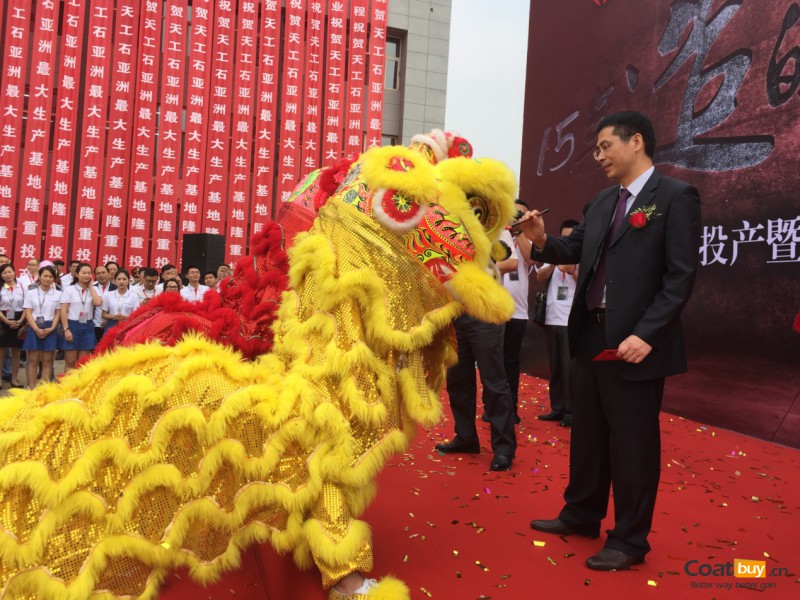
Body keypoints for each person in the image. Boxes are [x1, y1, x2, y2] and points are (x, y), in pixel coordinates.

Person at [521, 111, 701, 571]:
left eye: (605, 146)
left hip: (637, 342)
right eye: (597, 149)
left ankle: (629, 539)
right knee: (588, 434)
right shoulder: (603, 201)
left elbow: (680, 278)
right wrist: (541, 239)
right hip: (591, 334)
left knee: (632, 445)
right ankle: (582, 513)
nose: (598, 156)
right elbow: (573, 249)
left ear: (635, 141)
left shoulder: (675, 197)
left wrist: (647, 334)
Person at [436, 229, 518, 472]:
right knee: (457, 379)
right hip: (454, 312)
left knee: (493, 381)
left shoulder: (496, 223)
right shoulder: (447, 226)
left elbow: (510, 261)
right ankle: (466, 437)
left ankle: (503, 448)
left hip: (485, 313)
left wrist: (475, 270)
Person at [535, 219, 580, 428]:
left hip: (570, 320)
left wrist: (571, 269)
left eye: (571, 237)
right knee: (556, 367)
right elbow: (539, 276)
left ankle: (571, 411)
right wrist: (554, 261)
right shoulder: (554, 255)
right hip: (552, 318)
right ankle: (557, 408)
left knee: (570, 369)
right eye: (564, 237)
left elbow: (583, 281)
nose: (567, 241)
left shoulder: (581, 255)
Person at [496, 199, 536, 423]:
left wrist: (519, 231)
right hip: (495, 310)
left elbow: (530, 259)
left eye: (521, 214)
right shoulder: (497, 237)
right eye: (513, 213)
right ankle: (494, 408)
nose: (516, 217)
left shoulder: (527, 239)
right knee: (494, 362)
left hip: (517, 312)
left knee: (511, 362)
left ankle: (510, 409)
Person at [21, 265, 62, 389]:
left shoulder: (58, 294)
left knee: (47, 361)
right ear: (39, 277)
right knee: (33, 360)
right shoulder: (31, 293)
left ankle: (44, 390)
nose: (48, 279)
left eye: (51, 276)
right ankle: (32, 388)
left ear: (54, 279)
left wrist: (52, 328)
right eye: (45, 276)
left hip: (50, 327)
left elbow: (58, 313)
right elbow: (28, 312)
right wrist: (36, 329)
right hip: (34, 326)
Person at [59, 263, 103, 372]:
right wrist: (66, 329)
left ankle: (79, 383)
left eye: (89, 273)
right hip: (72, 325)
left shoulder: (94, 289)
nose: (86, 275)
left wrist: (91, 287)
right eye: (83, 273)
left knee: (82, 363)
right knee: (70, 361)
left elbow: (98, 302)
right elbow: (63, 310)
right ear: (77, 274)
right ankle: (68, 382)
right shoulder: (70, 289)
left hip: (87, 326)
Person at [0, 264, 26, 387]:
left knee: (16, 353)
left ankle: (14, 379)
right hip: (2, 320)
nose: (7, 275)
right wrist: (6, 321)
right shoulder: (1, 288)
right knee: (1, 353)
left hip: (19, 319)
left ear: (15, 272)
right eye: (4, 273)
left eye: (9, 272)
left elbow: (27, 306)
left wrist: (20, 320)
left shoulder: (22, 287)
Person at [92, 265, 116, 342]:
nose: (101, 275)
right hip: (94, 325)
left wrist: (107, 318)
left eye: (103, 272)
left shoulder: (116, 288)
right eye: (98, 273)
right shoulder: (91, 288)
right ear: (95, 276)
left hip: (111, 324)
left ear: (108, 273)